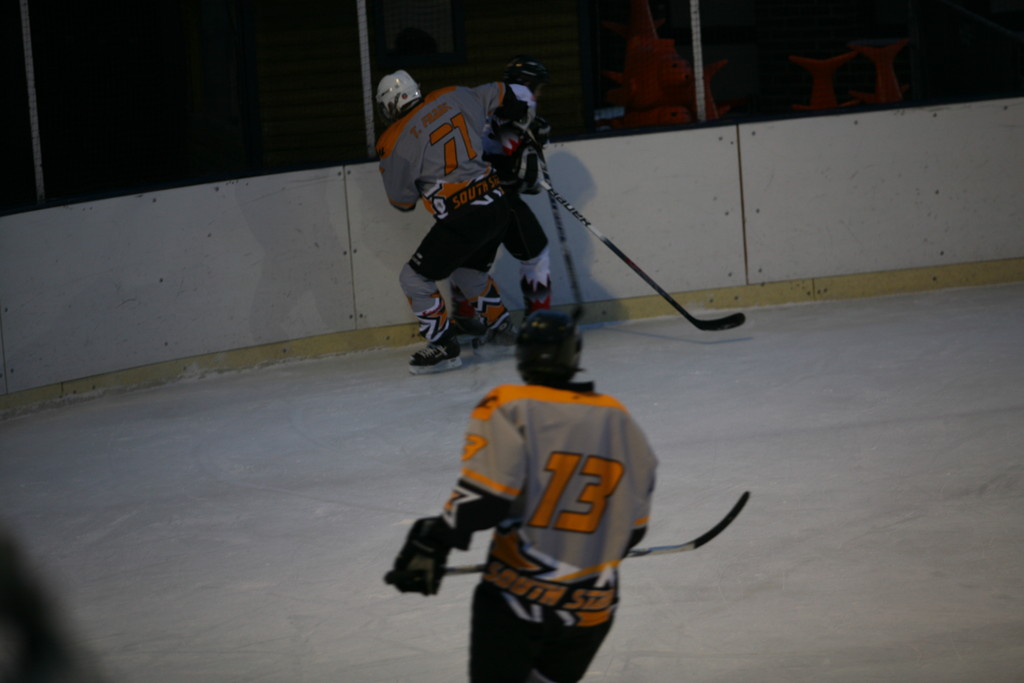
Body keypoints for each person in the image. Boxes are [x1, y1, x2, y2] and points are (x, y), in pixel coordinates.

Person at [384, 310, 659, 682]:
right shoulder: (618, 417)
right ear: (574, 354)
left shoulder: (509, 404)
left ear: (522, 355)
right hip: (591, 609)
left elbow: (486, 497)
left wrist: (434, 539)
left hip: (517, 602)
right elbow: (633, 530)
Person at [375, 70, 530, 374]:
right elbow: (502, 91)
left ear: (390, 104)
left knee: (413, 278)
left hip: (463, 215)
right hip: (497, 205)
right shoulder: (454, 95)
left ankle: (444, 346)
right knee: (467, 270)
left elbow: (402, 200)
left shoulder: (393, 140)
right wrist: (518, 116)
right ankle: (502, 330)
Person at [451, 56, 555, 337]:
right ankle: (538, 322)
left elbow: (497, 140)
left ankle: (464, 316)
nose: (538, 95)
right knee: (536, 253)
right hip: (495, 192)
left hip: (467, 189)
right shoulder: (521, 94)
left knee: (470, 256)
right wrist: (532, 139)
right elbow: (509, 144)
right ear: (528, 83)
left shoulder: (492, 95)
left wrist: (531, 135)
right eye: (538, 87)